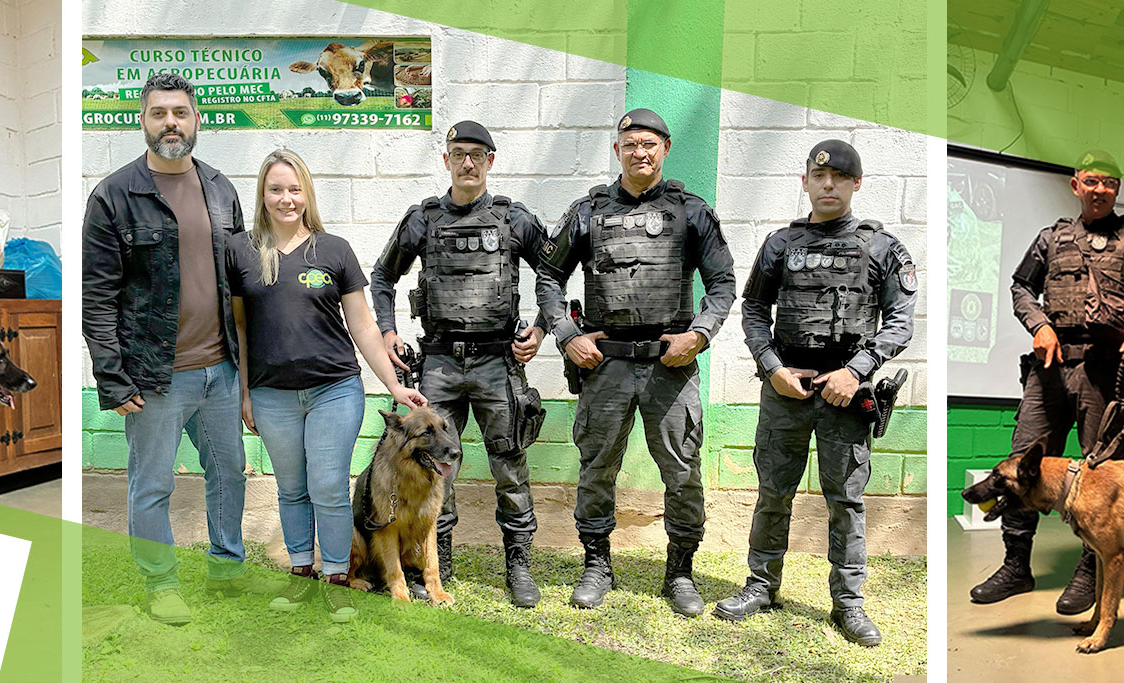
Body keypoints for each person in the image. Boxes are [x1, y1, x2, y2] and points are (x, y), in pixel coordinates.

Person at [713, 140, 917, 647]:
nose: (829, 185)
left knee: (845, 502)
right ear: (805, 182)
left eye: (840, 178)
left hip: (845, 396)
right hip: (785, 390)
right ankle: (761, 586)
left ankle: (848, 604)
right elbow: (755, 311)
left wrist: (856, 371)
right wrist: (772, 367)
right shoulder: (780, 245)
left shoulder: (882, 248)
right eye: (819, 177)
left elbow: (900, 323)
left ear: (856, 184)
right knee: (772, 494)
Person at [536, 108, 735, 617]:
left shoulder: (692, 211)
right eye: (629, 144)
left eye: (649, 144)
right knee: (597, 468)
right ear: (618, 149)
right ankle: (596, 565)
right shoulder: (587, 212)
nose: (639, 153)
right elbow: (547, 277)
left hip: (671, 366)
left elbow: (723, 284)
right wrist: (566, 337)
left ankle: (681, 572)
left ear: (665, 148)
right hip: (605, 366)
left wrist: (700, 334)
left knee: (683, 470)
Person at [969, 149, 1124, 614]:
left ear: (1117, 189)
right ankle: (1016, 566)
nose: (1100, 189)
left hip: (1107, 371)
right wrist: (1040, 325)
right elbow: (1020, 287)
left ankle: (1090, 570)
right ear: (1076, 185)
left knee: (1099, 475)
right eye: (1092, 181)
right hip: (1049, 367)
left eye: (1109, 182)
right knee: (1022, 464)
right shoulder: (1052, 238)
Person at [228, 148, 429, 623]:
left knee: (328, 485)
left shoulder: (333, 249)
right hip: (271, 393)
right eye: (275, 189)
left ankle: (338, 577)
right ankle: (302, 573)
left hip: (334, 389)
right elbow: (237, 329)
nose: (285, 198)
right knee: (292, 487)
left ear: (307, 194)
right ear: (262, 193)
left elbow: (361, 326)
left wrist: (396, 386)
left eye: (294, 189)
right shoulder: (240, 252)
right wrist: (243, 394)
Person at [82, 72, 251, 626]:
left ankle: (227, 566)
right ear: (143, 120)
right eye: (159, 113)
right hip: (154, 376)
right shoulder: (113, 195)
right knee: (151, 483)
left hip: (220, 369)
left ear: (197, 118)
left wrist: (248, 369)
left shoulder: (221, 187)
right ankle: (161, 584)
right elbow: (98, 295)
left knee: (228, 471)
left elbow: (241, 281)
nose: (171, 122)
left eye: (180, 111)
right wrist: (112, 375)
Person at [369, 120, 549, 608]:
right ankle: (437, 565)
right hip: (439, 361)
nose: (467, 162)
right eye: (458, 153)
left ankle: (519, 566)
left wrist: (541, 328)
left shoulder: (515, 219)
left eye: (477, 154)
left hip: (498, 361)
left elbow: (553, 272)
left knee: (509, 465)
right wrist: (387, 331)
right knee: (427, 467)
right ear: (445, 159)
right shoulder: (422, 219)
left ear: (491, 161)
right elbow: (381, 276)